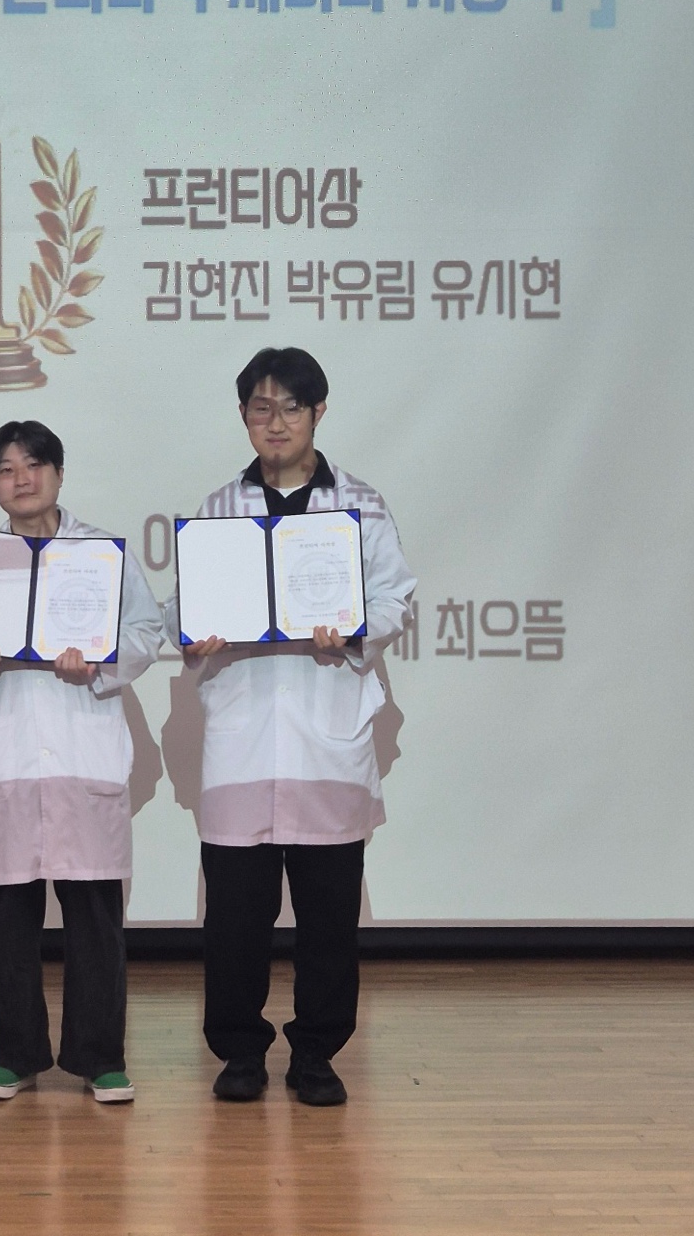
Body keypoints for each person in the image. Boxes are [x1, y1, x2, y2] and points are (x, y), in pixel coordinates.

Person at [166, 348, 415, 1107]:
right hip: (243, 740)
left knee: (328, 919)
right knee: (235, 920)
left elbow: (396, 598)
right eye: (261, 408)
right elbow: (181, 609)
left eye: (292, 407)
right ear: (244, 416)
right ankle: (239, 1051)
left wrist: (354, 628)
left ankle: (316, 1054)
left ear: (319, 413)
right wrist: (193, 633)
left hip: (325, 732)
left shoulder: (361, 505)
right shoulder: (218, 508)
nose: (276, 422)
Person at [0, 420, 162, 1104]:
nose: (22, 479)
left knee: (94, 917)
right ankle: (14, 1055)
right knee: (10, 917)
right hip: (10, 754)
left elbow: (146, 631)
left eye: (34, 464)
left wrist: (100, 663)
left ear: (59, 474)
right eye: (6, 469)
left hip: (83, 748)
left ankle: (101, 1058)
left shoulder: (100, 555)